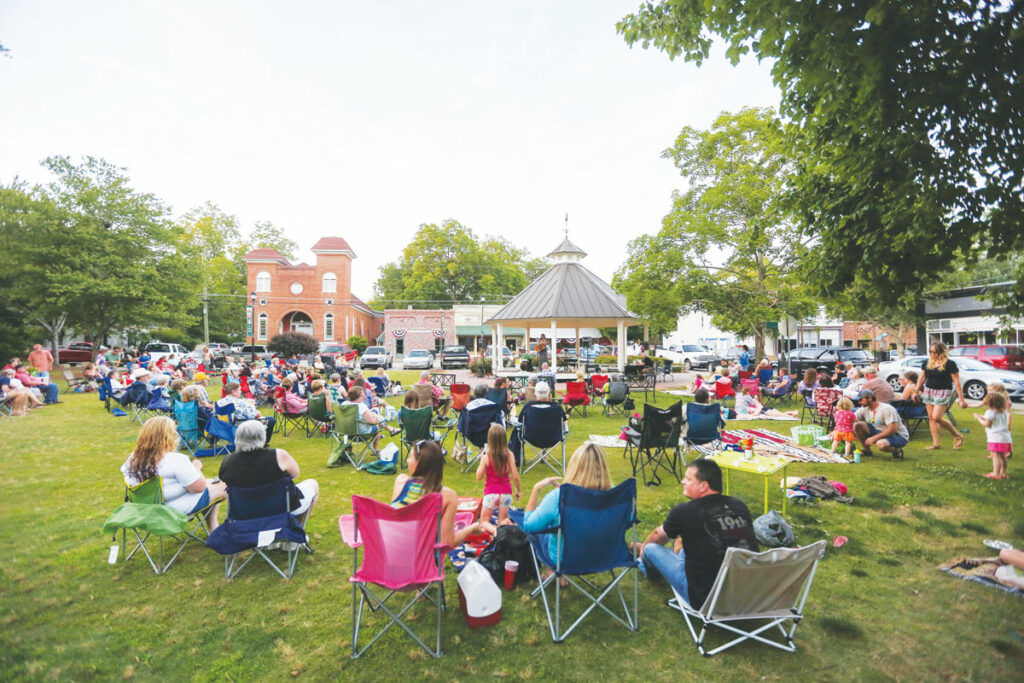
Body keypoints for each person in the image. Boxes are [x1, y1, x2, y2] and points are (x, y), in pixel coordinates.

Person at [633, 459, 758, 608]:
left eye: (688, 479)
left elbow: (657, 535)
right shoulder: (739, 505)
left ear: (703, 486)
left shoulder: (685, 511)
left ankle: (642, 561)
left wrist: (643, 549)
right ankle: (675, 551)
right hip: (745, 594)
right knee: (687, 545)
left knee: (650, 549)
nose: (682, 481)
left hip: (704, 599)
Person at [520, 443, 613, 574]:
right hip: (602, 557)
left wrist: (536, 489)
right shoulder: (614, 496)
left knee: (544, 531)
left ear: (574, 468)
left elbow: (529, 526)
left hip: (564, 560)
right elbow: (627, 520)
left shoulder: (558, 498)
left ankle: (553, 572)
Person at [120, 416, 225, 531]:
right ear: (169, 436)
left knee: (211, 483)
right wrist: (196, 468)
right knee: (224, 485)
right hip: (169, 511)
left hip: (145, 510)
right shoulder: (174, 459)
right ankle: (216, 528)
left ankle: (214, 528)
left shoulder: (133, 458)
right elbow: (199, 487)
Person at [391, 439, 489, 546]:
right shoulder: (447, 496)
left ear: (420, 463)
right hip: (421, 560)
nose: (408, 461)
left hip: (389, 554)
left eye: (410, 457)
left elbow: (395, 521)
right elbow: (447, 542)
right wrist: (471, 529)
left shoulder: (400, 482)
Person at [219, 420, 318, 522]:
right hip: (279, 508)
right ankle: (297, 528)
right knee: (313, 484)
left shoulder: (228, 461)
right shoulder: (278, 455)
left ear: (237, 438)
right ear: (262, 436)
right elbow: (295, 474)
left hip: (244, 512)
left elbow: (224, 481)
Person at [914, 341, 967, 450]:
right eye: (931, 352)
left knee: (937, 417)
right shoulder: (927, 363)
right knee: (931, 418)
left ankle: (957, 435)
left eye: (935, 352)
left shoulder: (949, 364)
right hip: (929, 391)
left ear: (941, 352)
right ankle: (936, 444)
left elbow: (956, 382)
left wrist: (961, 399)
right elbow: (922, 378)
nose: (933, 354)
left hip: (943, 392)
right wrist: (916, 391)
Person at [475, 424, 521, 525]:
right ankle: (504, 524)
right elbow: (515, 476)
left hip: (491, 493)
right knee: (502, 520)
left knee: (484, 521)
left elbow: (478, 477)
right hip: (506, 493)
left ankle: (494, 531)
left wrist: (481, 460)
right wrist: (518, 490)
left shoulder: (486, 457)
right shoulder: (509, 455)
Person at [852, 389, 910, 460]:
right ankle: (867, 451)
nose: (859, 402)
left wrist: (874, 438)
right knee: (857, 425)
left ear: (869, 398)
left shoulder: (886, 409)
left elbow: (893, 429)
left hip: (898, 435)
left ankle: (897, 450)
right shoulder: (864, 409)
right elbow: (852, 419)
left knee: (881, 445)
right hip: (878, 431)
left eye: (861, 400)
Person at [974, 391, 1011, 480]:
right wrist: (984, 417)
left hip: (996, 438)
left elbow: (987, 424)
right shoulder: (1003, 411)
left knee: (995, 455)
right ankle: (1003, 473)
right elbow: (995, 420)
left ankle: (995, 473)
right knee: (1002, 456)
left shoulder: (990, 412)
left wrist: (979, 419)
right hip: (1005, 437)